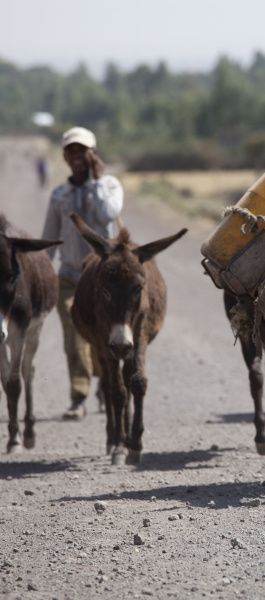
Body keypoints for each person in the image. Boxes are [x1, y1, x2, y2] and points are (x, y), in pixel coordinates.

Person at [42, 127, 123, 420]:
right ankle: (78, 396)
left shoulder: (110, 185)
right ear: (64, 155)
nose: (77, 156)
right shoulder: (59, 194)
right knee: (74, 334)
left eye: (83, 150)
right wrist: (40, 273)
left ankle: (105, 382)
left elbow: (107, 214)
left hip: (103, 278)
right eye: (71, 151)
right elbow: (50, 237)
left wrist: (97, 181)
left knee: (103, 335)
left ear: (94, 153)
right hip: (69, 276)